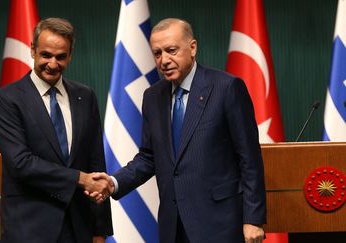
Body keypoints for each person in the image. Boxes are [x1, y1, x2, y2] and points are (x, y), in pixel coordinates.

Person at [90, 18, 266, 243]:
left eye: (171, 50)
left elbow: (249, 159)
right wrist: (113, 183)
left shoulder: (226, 88)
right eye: (157, 53)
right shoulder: (153, 97)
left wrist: (253, 219)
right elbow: (148, 157)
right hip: (173, 226)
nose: (164, 60)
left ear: (192, 48)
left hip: (220, 224)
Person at [0, 17, 113, 243]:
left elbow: (96, 162)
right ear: (33, 51)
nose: (53, 63)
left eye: (61, 57)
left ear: (70, 56)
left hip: (79, 228)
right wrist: (79, 178)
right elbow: (20, 163)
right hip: (30, 229)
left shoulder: (85, 96)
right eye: (46, 55)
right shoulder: (7, 99)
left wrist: (100, 229)